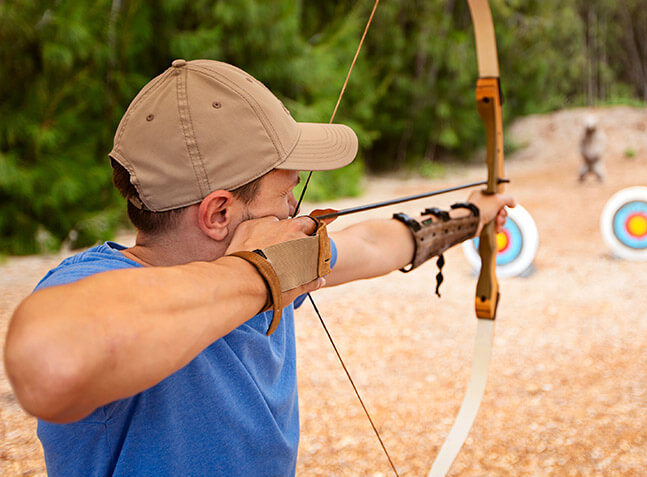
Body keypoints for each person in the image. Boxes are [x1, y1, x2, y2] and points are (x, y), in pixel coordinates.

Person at [3, 59, 515, 476]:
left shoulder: (273, 258)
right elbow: (49, 362)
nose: (295, 206)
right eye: (284, 190)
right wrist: (257, 273)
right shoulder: (99, 287)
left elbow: (372, 243)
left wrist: (469, 216)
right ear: (220, 213)